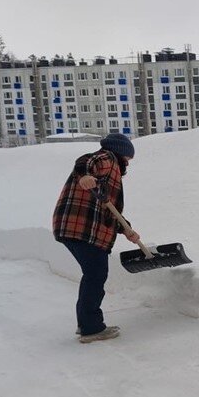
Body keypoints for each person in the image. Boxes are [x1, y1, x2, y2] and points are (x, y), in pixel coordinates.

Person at [52, 133, 140, 344]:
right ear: (121, 153)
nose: (128, 163)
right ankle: (90, 327)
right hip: (80, 227)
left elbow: (110, 209)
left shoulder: (111, 175)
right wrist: (84, 176)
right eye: (128, 158)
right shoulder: (107, 159)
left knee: (94, 274)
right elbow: (85, 161)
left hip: (77, 228)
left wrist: (127, 229)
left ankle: (87, 324)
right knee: (95, 274)